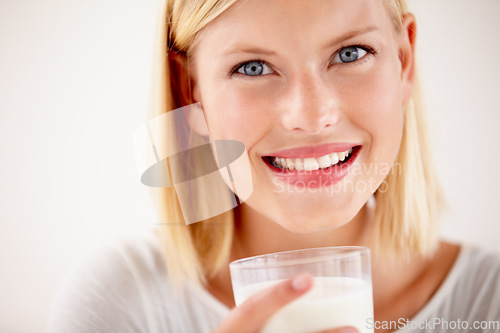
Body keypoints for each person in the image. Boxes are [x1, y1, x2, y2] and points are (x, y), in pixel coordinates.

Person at [48, 0, 500, 332]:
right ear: (190, 90)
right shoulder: (117, 306)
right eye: (253, 67)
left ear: (404, 61)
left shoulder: (488, 303)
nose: (310, 116)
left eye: (350, 54)